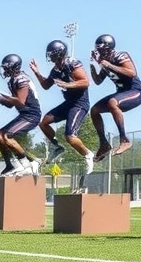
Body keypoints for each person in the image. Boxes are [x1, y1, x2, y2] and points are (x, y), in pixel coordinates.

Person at [29, 40, 94, 177]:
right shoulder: (56, 69)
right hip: (69, 103)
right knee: (44, 122)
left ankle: (88, 154)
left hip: (79, 104)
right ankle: (57, 147)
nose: (50, 56)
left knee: (70, 136)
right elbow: (46, 85)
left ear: (59, 53)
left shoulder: (72, 64)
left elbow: (85, 82)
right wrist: (37, 72)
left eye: (52, 54)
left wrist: (67, 84)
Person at [89, 34, 141, 162]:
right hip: (121, 93)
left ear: (109, 49)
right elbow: (97, 81)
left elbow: (132, 72)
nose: (100, 53)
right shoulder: (105, 63)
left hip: (135, 92)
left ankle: (124, 139)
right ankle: (104, 144)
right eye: (98, 51)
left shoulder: (121, 56)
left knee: (112, 102)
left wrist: (109, 65)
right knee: (94, 110)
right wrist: (92, 65)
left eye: (102, 50)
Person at [0, 54, 42, 176]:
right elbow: (10, 104)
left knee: (8, 136)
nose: (5, 70)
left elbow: (20, 101)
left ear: (14, 67)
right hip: (24, 114)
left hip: (32, 115)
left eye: (7, 67)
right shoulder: (12, 81)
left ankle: (29, 164)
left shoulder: (22, 79)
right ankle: (10, 165)